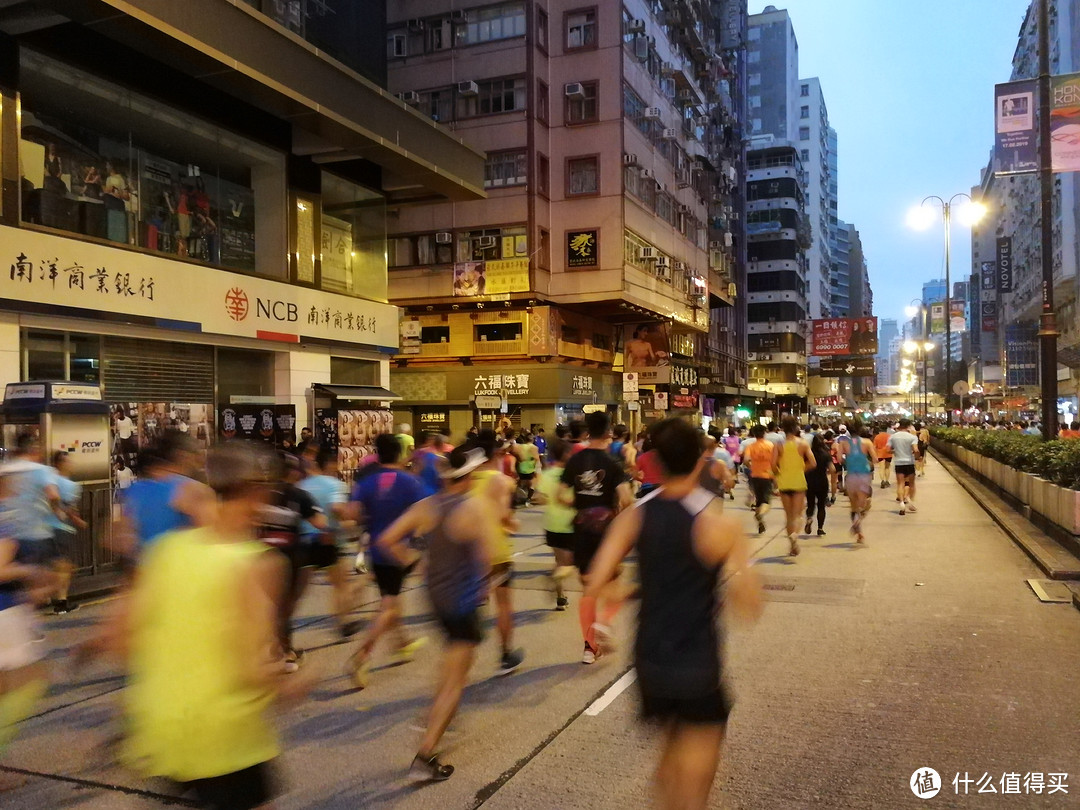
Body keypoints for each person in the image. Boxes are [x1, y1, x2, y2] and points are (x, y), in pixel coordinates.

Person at [584, 418, 762, 810]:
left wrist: (624, 602)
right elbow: (750, 605)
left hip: (650, 659)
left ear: (655, 462)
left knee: (670, 749)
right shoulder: (718, 525)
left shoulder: (635, 517)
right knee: (697, 772)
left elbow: (597, 580)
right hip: (697, 660)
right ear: (701, 460)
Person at [121, 443, 311, 810]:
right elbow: (252, 670)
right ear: (261, 491)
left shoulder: (165, 550)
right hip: (224, 736)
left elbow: (123, 638)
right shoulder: (256, 565)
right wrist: (296, 681)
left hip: (164, 726)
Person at [375, 446, 499, 781]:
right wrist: (483, 588)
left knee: (451, 669)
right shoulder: (474, 508)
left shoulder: (425, 506)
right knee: (455, 681)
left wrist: (413, 562)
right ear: (469, 476)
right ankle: (426, 752)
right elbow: (486, 560)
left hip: (436, 599)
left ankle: (437, 717)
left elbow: (386, 540)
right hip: (462, 602)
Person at [346, 435, 428, 688]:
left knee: (390, 599)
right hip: (399, 551)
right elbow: (427, 512)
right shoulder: (410, 482)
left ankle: (402, 643)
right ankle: (362, 655)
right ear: (400, 452)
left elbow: (353, 515)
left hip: (376, 552)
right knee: (389, 605)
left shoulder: (367, 482)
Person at [560, 411, 633, 663]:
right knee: (615, 589)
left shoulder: (575, 460)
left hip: (581, 528)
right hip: (606, 531)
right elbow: (626, 499)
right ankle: (603, 622)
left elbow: (560, 495)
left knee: (588, 590)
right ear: (609, 432)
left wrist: (580, 503)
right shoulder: (613, 463)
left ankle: (589, 648)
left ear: (587, 431)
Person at [0, 465, 55, 791]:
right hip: (4, 613)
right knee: (30, 683)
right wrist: (31, 571)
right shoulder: (3, 520)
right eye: (12, 478)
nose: (17, 483)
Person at [257, 454, 326, 671]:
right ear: (294, 472)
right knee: (285, 607)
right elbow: (320, 522)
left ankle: (277, 645)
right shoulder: (299, 495)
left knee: (276, 605)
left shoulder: (261, 494)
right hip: (291, 557)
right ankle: (288, 654)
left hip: (264, 555)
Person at [470, 431, 525, 675]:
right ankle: (505, 655)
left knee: (471, 604)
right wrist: (513, 524)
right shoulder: (502, 482)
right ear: (495, 454)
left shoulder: (464, 479)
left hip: (469, 552)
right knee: (503, 604)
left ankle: (463, 661)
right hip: (497, 553)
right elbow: (505, 516)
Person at [297, 448, 357, 638]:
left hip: (304, 541)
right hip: (328, 540)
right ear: (331, 464)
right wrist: (349, 520)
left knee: (297, 590)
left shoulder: (302, 485)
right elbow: (337, 508)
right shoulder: (335, 485)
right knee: (341, 585)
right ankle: (343, 622)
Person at [534, 438, 576, 610]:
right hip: (570, 523)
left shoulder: (546, 474)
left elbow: (538, 498)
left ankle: (561, 598)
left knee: (559, 561)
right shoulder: (572, 474)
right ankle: (555, 579)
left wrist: (550, 498)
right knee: (571, 563)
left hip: (551, 523)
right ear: (566, 454)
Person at [45, 452, 87, 614]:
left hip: (45, 528)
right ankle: (61, 602)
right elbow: (69, 509)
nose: (71, 464)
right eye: (68, 461)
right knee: (65, 567)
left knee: (58, 565)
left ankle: (51, 596)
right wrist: (78, 520)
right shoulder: (70, 485)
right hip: (62, 528)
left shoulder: (48, 480)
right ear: (61, 463)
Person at [775, 416, 816, 557]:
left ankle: (792, 546)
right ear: (796, 427)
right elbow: (813, 462)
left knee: (788, 515)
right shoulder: (803, 444)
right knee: (798, 515)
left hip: (784, 482)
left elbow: (772, 464)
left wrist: (778, 475)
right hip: (798, 481)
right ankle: (794, 535)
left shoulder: (778, 445)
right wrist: (801, 469)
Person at [838, 423, 876, 543]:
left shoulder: (843, 443)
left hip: (851, 476)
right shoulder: (867, 442)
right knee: (864, 504)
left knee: (853, 505)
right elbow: (875, 459)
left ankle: (859, 533)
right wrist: (867, 462)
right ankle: (858, 522)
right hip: (864, 475)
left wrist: (849, 461)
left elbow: (839, 459)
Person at [744, 425, 775, 535]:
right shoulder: (770, 445)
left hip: (755, 475)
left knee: (758, 500)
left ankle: (759, 519)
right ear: (764, 433)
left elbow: (746, 460)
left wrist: (751, 466)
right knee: (766, 502)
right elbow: (775, 461)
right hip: (767, 476)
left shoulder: (751, 446)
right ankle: (761, 515)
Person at [888, 419, 922, 516]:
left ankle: (902, 503)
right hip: (909, 462)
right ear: (908, 426)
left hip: (899, 462)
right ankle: (909, 500)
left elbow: (888, 450)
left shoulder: (893, 437)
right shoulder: (912, 437)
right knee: (911, 484)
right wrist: (918, 457)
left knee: (900, 484)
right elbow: (915, 450)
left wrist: (896, 451)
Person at [804, 433, 833, 537]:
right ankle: (820, 528)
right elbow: (833, 469)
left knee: (810, 503)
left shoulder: (808, 453)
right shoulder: (826, 454)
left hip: (809, 481)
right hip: (822, 482)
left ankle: (809, 518)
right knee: (821, 506)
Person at [513, 432, 542, 506]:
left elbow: (517, 456)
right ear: (532, 440)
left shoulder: (519, 446)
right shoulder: (534, 448)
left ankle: (515, 499)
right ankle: (528, 499)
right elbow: (536, 458)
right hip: (529, 469)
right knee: (532, 484)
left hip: (521, 468)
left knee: (518, 484)